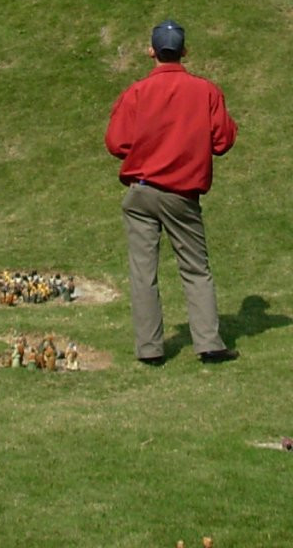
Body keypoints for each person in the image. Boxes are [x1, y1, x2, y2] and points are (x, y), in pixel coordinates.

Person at [104, 19, 238, 366]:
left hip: (142, 192)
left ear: (151, 51)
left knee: (142, 272)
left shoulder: (135, 92)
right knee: (195, 269)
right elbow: (223, 141)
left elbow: (116, 142)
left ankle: (150, 349)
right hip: (182, 194)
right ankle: (208, 343)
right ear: (185, 51)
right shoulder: (206, 91)